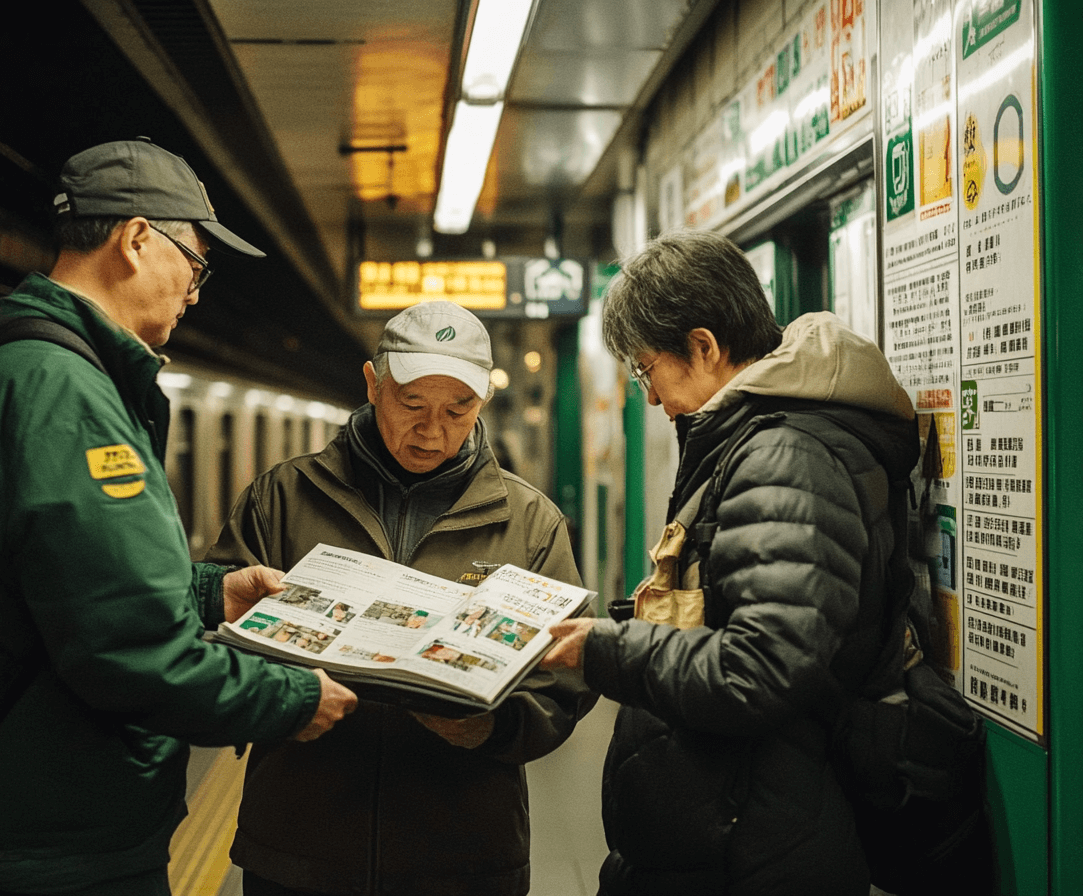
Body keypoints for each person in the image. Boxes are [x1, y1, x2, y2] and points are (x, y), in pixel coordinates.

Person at [0, 138, 357, 896]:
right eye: (195, 265)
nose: (196, 293)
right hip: (61, 832)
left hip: (25, 805)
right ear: (134, 239)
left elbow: (58, 584)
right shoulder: (67, 394)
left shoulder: (19, 365)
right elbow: (127, 653)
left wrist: (206, 595)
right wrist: (291, 700)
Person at [542, 229, 920, 896]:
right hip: (738, 819)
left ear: (705, 347)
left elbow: (760, 671)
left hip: (759, 840)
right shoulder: (755, 445)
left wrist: (608, 650)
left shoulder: (783, 458)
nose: (652, 398)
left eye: (645, 369)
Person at [206, 300, 596, 896]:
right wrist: (280, 700)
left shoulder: (531, 522)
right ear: (372, 383)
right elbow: (209, 645)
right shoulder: (281, 498)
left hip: (465, 858)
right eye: (411, 405)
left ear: (482, 403)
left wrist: (490, 727)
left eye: (457, 410)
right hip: (300, 852)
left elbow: (566, 682)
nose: (432, 430)